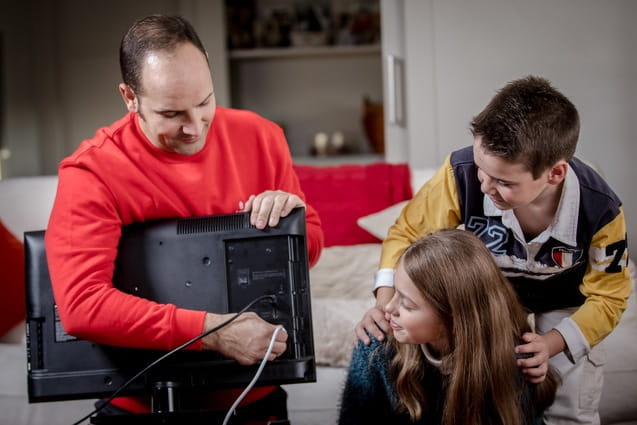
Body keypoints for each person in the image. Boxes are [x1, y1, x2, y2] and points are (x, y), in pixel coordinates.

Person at [44, 14, 323, 422]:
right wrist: (215, 332)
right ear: (129, 97)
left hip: (254, 399)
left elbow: (311, 244)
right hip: (141, 406)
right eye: (172, 113)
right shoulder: (91, 171)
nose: (195, 128)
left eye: (205, 102)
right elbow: (82, 305)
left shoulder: (262, 136)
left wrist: (287, 222)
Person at [355, 76, 630, 424]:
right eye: (482, 171)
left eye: (504, 182)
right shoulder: (461, 172)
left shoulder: (601, 210)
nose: (485, 187)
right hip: (492, 295)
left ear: (555, 173)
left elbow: (609, 298)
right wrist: (385, 300)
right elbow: (408, 232)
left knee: (567, 395)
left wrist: (553, 343)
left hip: (566, 302)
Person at [339, 229, 559, 425]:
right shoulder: (375, 348)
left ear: (452, 313)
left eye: (406, 303)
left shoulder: (519, 362)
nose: (389, 307)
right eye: (394, 291)